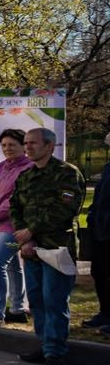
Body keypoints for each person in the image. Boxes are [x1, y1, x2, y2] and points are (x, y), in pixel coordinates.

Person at [11, 126, 84, 365]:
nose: (27, 146)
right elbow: (15, 208)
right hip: (31, 250)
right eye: (26, 143)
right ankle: (44, 345)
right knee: (37, 301)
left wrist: (31, 231)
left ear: (50, 146)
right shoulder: (26, 176)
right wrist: (23, 238)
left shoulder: (67, 174)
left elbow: (66, 210)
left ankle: (55, 354)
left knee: (54, 301)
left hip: (57, 249)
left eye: (33, 143)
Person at [0, 128, 32, 326]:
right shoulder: (3, 165)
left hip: (12, 227)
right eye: (4, 145)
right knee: (11, 266)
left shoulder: (28, 168)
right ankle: (17, 309)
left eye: (12, 145)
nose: (7, 148)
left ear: (23, 146)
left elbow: (16, 199)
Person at [83, 128, 110, 331]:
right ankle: (105, 312)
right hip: (101, 229)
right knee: (99, 272)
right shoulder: (108, 169)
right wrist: (92, 217)